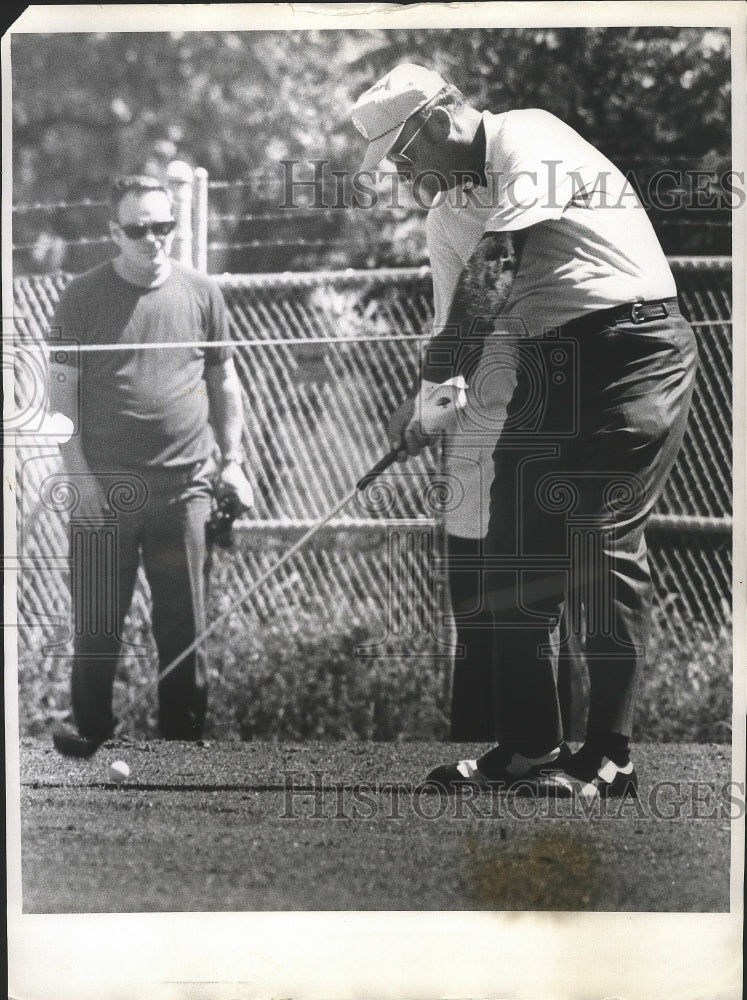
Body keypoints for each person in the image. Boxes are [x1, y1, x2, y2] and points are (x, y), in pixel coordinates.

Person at [351, 64, 697, 797]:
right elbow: (455, 327)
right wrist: (427, 400)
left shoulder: (528, 135)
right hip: (548, 365)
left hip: (634, 351)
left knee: (598, 546)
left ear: (437, 121)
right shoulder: (447, 214)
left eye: (403, 155)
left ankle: (609, 756)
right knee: (509, 557)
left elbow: (494, 273)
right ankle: (531, 747)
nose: (403, 174)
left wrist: (430, 395)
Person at [48, 174, 254, 742]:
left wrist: (233, 460)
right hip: (104, 489)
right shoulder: (82, 296)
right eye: (139, 229)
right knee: (96, 626)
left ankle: (182, 749)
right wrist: (80, 478)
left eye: (163, 226)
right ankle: (88, 734)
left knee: (183, 625)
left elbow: (225, 382)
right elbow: (59, 397)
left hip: (185, 486)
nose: (153, 239)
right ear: (115, 233)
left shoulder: (202, 292)